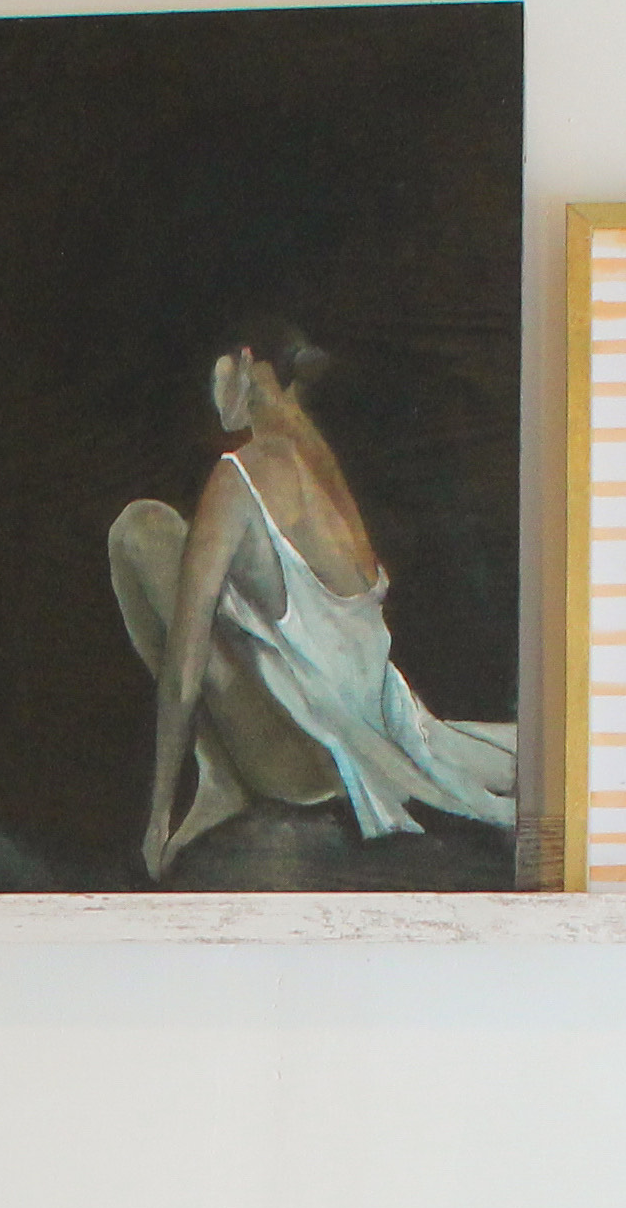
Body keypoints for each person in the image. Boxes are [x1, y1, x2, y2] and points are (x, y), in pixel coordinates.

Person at [106, 335, 513, 881]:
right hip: (354, 739)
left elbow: (185, 663)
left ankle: (219, 777)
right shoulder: (318, 457)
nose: (211, 393)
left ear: (245, 362)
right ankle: (222, 778)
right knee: (183, 549)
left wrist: (157, 818)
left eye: (216, 374)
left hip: (300, 759)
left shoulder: (242, 473)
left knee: (141, 529)